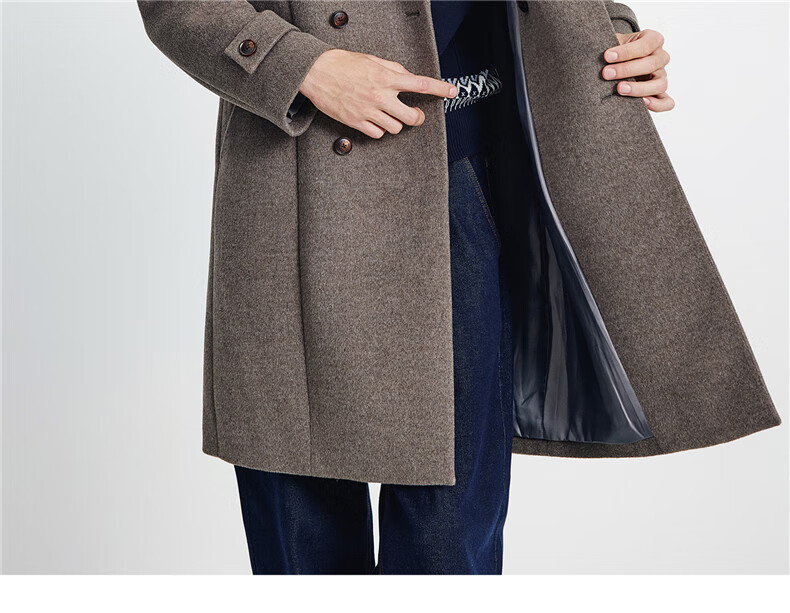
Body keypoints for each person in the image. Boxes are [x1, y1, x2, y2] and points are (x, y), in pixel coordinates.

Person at [138, 0, 780, 575]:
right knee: (304, 525)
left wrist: (611, 33)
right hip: (304, 177)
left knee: (449, 538)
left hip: (474, 174)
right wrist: (300, 66)